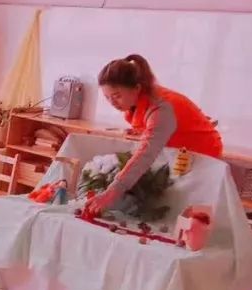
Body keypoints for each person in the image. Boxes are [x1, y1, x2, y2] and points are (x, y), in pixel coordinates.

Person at [86, 54, 224, 217]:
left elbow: (147, 152)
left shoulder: (162, 108)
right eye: (107, 98)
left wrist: (112, 191)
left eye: (116, 96)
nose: (112, 102)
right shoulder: (141, 101)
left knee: (183, 213)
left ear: (137, 88)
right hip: (179, 153)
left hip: (202, 157)